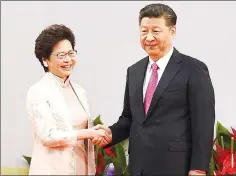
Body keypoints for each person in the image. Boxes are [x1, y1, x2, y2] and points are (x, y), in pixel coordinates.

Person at [93, 3, 215, 176]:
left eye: (155, 31)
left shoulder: (193, 69)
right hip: (139, 166)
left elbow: (203, 123)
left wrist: (198, 168)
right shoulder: (134, 71)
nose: (148, 37)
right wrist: (109, 133)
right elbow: (129, 119)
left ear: (172, 31)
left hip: (176, 166)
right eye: (144, 31)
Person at [26, 24, 110, 175]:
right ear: (45, 60)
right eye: (61, 55)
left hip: (82, 169)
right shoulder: (37, 91)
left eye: (71, 53)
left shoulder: (80, 92)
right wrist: (87, 133)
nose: (68, 60)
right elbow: (48, 136)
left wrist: (97, 133)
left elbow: (85, 132)